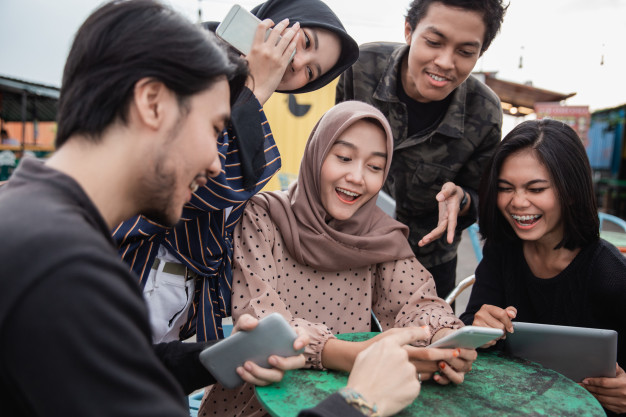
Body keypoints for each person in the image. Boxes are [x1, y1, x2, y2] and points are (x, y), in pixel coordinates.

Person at [0, 1, 309, 415]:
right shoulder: (65, 265)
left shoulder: (35, 224)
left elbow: (120, 362)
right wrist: (362, 402)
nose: (218, 163)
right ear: (152, 102)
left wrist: (221, 354)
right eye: (216, 128)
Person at [202, 101, 478, 416]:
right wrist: (353, 355)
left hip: (356, 397)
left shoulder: (379, 235)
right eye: (344, 158)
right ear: (317, 153)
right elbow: (263, 320)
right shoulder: (262, 215)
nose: (357, 177)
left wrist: (445, 342)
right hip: (259, 396)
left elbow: (419, 303)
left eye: (375, 167)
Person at [113, 0, 359, 344]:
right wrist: (255, 85)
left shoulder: (250, 106)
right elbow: (200, 186)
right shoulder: (190, 59)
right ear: (277, 20)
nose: (298, 63)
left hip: (178, 300)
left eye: (312, 73)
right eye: (304, 42)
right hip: (132, 275)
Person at [335, 0, 507, 302]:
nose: (445, 61)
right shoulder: (362, 67)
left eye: (465, 52)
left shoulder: (486, 113)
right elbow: (333, 148)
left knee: (430, 346)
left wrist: (463, 199)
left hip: (427, 265)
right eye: (433, 42)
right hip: (347, 248)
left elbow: (484, 197)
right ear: (409, 30)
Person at [459, 119, 626, 416]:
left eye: (535, 189)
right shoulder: (502, 251)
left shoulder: (610, 273)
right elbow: (467, 328)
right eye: (505, 188)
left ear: (571, 191)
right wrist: (477, 328)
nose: (517, 202)